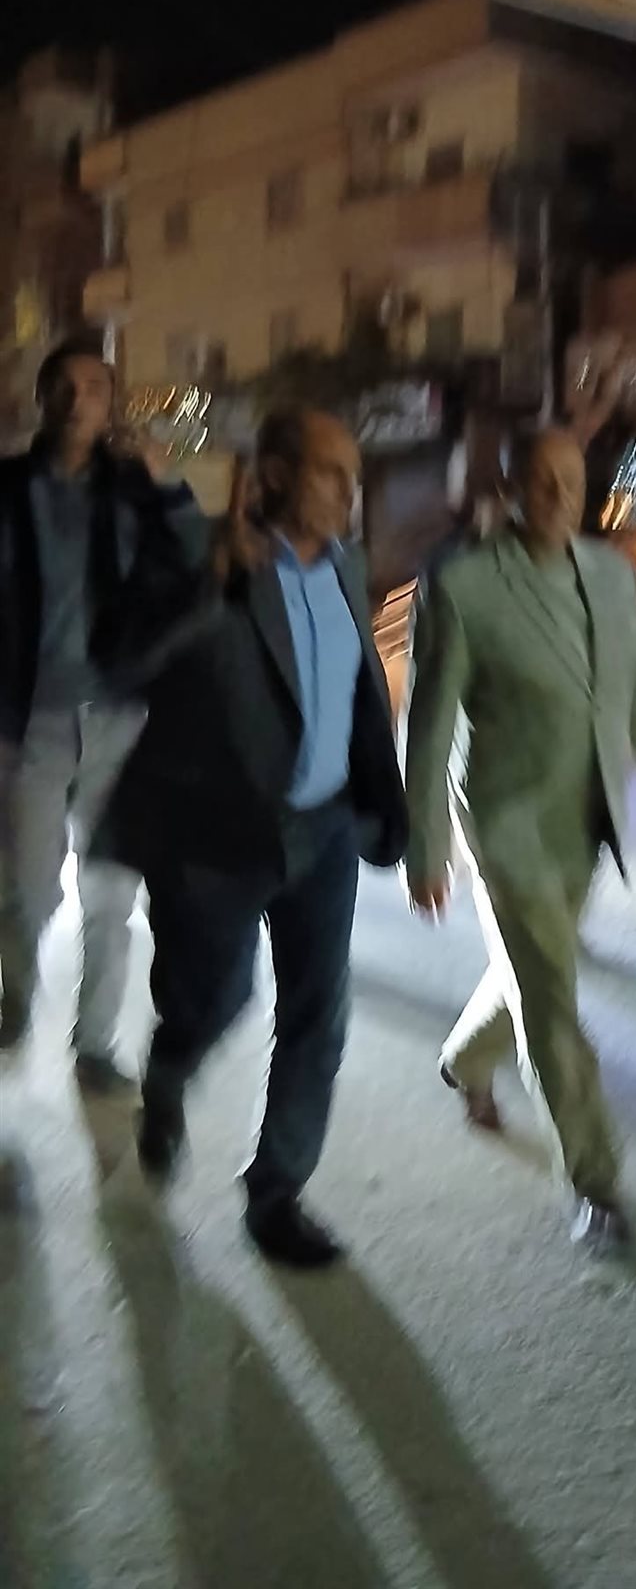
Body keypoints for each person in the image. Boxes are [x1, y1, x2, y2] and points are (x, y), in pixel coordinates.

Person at [94, 407, 408, 1268]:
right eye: (331, 475)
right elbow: (116, 667)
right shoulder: (200, 549)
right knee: (216, 999)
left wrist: (384, 800)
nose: (350, 495)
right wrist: (208, 584)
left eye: (355, 478)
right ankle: (167, 1075)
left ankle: (277, 1192)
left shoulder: (346, 564)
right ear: (270, 476)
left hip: (325, 829)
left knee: (319, 1013)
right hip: (217, 839)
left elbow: (356, 691)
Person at [404, 425, 636, 1251]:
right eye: (542, 481)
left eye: (572, 481)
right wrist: (425, 845)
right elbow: (428, 726)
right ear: (510, 489)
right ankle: (594, 1181)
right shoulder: (465, 585)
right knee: (553, 1001)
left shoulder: (612, 577)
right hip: (505, 824)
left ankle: (466, 1062)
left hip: (583, 820)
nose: (561, 497)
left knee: (536, 974)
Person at [0, 333, 208, 1085]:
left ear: (110, 404)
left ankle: (94, 1044)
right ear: (41, 398)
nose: (76, 401)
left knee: (112, 891)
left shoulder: (132, 488)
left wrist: (165, 482)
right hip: (29, 720)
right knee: (26, 890)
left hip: (118, 716)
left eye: (93, 388)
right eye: (63, 386)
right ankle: (14, 1000)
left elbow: (192, 560)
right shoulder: (8, 488)